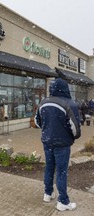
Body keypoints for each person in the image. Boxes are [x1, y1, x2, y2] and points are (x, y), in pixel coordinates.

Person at [35, 78, 81, 211]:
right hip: (62, 144)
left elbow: (37, 122)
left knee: (49, 167)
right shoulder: (69, 104)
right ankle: (63, 201)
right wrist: (72, 137)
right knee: (61, 171)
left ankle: (47, 193)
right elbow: (76, 128)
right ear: (65, 88)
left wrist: (47, 130)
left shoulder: (43, 102)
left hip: (47, 141)